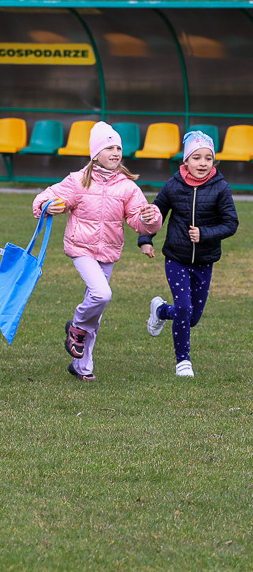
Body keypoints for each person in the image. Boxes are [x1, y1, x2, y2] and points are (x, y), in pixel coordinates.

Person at [32, 121, 162, 381]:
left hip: (109, 253)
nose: (115, 152)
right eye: (109, 147)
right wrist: (48, 205)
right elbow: (48, 196)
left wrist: (151, 217)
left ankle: (82, 367)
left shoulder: (126, 186)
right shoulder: (78, 181)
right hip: (81, 249)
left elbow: (139, 220)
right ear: (95, 153)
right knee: (101, 295)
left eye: (118, 148)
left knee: (98, 311)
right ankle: (77, 325)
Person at [138, 130, 238, 378]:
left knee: (191, 317)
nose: (202, 163)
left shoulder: (221, 188)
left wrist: (205, 233)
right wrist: (145, 239)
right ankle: (183, 361)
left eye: (207, 158)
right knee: (184, 309)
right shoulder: (173, 186)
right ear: (186, 161)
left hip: (204, 262)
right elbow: (155, 212)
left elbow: (231, 223)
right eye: (196, 157)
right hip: (176, 258)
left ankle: (160, 311)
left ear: (214, 161)